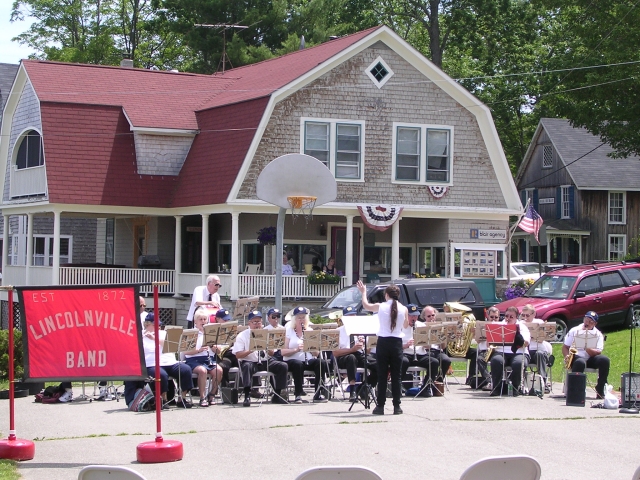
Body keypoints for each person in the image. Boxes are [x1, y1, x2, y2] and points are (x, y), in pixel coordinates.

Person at [357, 280, 405, 415]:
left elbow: (366, 305)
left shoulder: (381, 306)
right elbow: (406, 325)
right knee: (397, 376)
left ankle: (380, 406)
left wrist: (364, 292)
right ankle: (397, 406)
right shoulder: (404, 308)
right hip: (397, 343)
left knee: (382, 375)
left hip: (383, 342)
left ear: (386, 295)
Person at [232, 310, 289, 407]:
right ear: (249, 323)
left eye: (259, 322)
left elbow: (271, 353)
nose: (257, 324)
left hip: (264, 360)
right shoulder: (242, 335)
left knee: (282, 366)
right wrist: (251, 349)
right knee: (246, 367)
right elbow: (238, 355)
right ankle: (247, 395)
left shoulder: (267, 334)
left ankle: (277, 394)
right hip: (250, 360)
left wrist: (268, 348)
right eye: (254, 322)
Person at [142, 313, 194, 408]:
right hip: (152, 364)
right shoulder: (141, 335)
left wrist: (154, 338)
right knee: (161, 374)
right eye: (155, 325)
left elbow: (170, 345)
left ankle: (182, 398)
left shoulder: (164, 333)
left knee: (186, 370)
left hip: (170, 362)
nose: (158, 327)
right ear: (146, 324)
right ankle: (163, 399)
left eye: (159, 325)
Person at [282, 306, 329, 403]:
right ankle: (298, 394)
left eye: (303, 317)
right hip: (292, 360)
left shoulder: (310, 331)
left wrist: (310, 346)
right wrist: (296, 349)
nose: (301, 320)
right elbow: (283, 352)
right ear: (294, 319)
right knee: (298, 364)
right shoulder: (288, 331)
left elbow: (316, 353)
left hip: (308, 359)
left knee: (321, 362)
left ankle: (318, 393)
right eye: (299, 318)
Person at [334, 306, 378, 401]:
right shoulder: (338, 331)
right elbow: (335, 353)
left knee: (379, 365)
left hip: (359, 354)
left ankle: (363, 387)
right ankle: (352, 390)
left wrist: (365, 343)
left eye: (353, 316)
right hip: (344, 356)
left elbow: (368, 351)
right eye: (349, 316)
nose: (351, 318)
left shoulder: (362, 330)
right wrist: (352, 349)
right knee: (351, 358)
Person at [563, 311, 609, 398]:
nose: (587, 323)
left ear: (595, 323)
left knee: (604, 360)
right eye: (586, 320)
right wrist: (567, 356)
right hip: (577, 356)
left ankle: (600, 389)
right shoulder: (575, 330)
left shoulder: (598, 334)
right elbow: (565, 347)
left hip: (590, 357)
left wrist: (587, 347)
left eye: (590, 321)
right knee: (580, 362)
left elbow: (598, 351)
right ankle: (576, 391)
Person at [182, 308, 224, 407]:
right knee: (202, 371)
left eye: (205, 319)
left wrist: (213, 346)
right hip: (193, 360)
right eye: (200, 319)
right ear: (195, 321)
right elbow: (186, 352)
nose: (203, 322)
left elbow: (218, 352)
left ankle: (212, 394)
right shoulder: (191, 333)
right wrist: (199, 350)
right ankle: (202, 397)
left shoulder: (211, 333)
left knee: (219, 371)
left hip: (208, 359)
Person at [489, 306, 530, 396]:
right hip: (501, 351)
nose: (508, 318)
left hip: (518, 352)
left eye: (511, 317)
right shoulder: (499, 326)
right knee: (496, 360)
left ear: (516, 317)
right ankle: (497, 388)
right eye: (507, 316)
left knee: (518, 363)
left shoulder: (522, 327)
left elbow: (526, 343)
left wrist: (517, 336)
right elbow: (491, 342)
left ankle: (515, 387)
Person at [400, 304, 438, 397]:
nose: (414, 318)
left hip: (420, 354)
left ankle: (426, 387)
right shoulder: (401, 326)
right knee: (402, 361)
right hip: (406, 354)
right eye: (411, 315)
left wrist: (425, 344)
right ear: (406, 315)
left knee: (434, 362)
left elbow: (429, 346)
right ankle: (398, 386)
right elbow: (395, 345)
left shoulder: (422, 326)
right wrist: (405, 345)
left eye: (416, 315)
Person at [521, 304, 553, 393]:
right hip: (526, 350)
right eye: (523, 315)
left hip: (538, 349)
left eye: (527, 315)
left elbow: (548, 337)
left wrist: (539, 336)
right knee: (520, 356)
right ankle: (521, 382)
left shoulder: (539, 322)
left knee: (540, 354)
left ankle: (543, 382)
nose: (525, 317)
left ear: (533, 314)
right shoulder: (520, 324)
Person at [465, 306, 498, 389]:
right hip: (485, 350)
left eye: (496, 317)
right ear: (487, 316)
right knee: (480, 359)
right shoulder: (481, 325)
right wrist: (475, 333)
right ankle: (489, 381)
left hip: (497, 350)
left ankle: (494, 381)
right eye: (491, 317)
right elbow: (478, 341)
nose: (494, 319)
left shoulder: (501, 325)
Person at [422, 306, 452, 385]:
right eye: (428, 316)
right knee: (432, 362)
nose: (431, 318)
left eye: (433, 315)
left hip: (438, 351)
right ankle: (427, 382)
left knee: (446, 360)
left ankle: (438, 381)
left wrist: (443, 337)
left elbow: (443, 347)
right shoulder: (421, 326)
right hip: (425, 351)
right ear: (424, 317)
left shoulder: (441, 326)